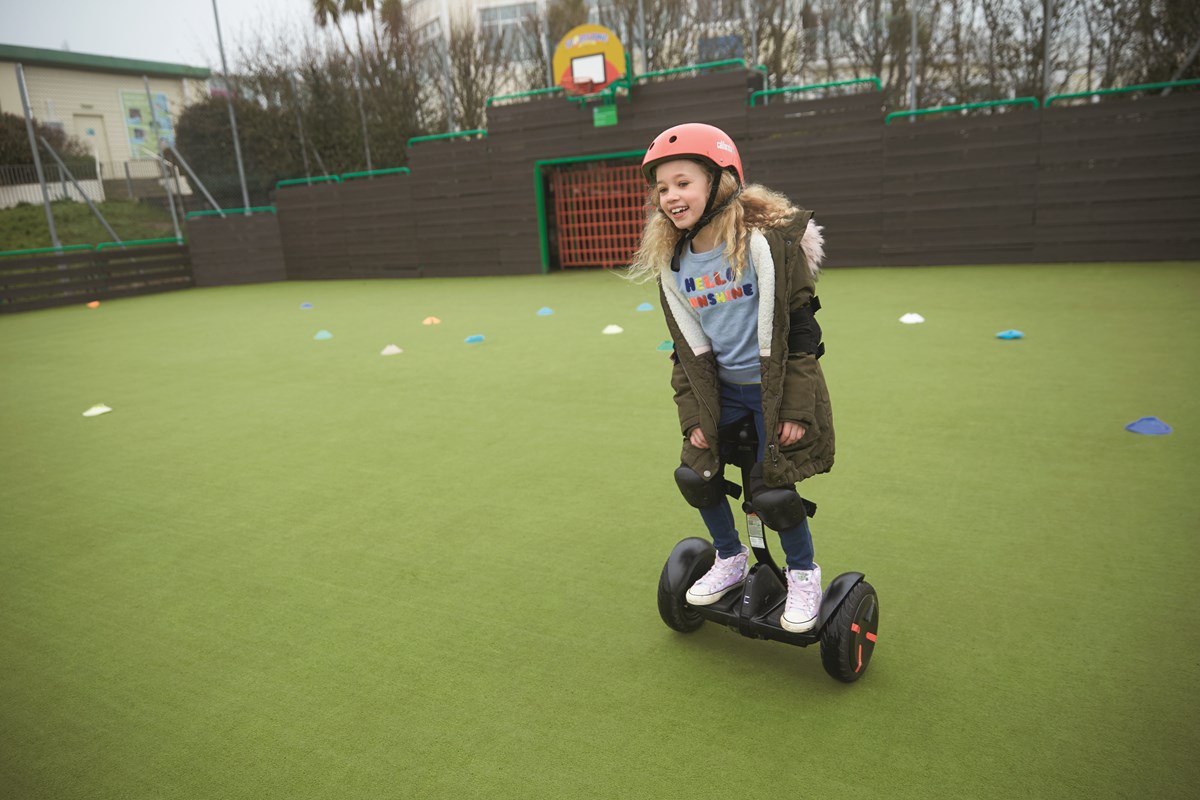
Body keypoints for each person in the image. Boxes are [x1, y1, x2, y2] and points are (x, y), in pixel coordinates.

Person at [627, 122, 834, 633]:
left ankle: (804, 574)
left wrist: (794, 408)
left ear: (719, 182)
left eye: (683, 182)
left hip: (773, 393)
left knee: (772, 493)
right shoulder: (674, 265)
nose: (671, 196)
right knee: (696, 475)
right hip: (720, 396)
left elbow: (803, 334)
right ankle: (729, 556)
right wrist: (696, 414)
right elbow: (685, 353)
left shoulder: (767, 247)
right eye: (663, 188)